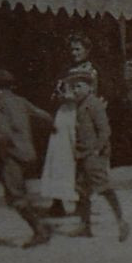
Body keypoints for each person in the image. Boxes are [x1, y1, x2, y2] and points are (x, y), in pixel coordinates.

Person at [0, 68, 53, 248]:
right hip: (29, 154)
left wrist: (0, 153)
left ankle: (39, 230)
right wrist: (55, 127)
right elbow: (42, 114)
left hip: (13, 155)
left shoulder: (0, 105)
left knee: (15, 196)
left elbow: (2, 133)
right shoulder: (21, 101)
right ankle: (40, 224)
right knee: (21, 192)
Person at [65, 71, 129, 241]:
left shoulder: (94, 105)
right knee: (82, 191)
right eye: (73, 87)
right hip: (82, 154)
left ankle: (121, 222)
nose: (76, 90)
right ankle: (85, 226)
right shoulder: (79, 105)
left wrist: (97, 150)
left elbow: (104, 131)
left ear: (90, 87)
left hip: (93, 155)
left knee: (104, 188)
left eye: (79, 86)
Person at [40, 33, 97, 217]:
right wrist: (57, 94)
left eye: (78, 49)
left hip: (79, 116)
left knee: (77, 157)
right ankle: (57, 201)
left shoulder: (90, 71)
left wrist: (67, 96)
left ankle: (81, 200)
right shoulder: (66, 71)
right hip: (63, 116)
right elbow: (56, 92)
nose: (74, 53)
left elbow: (89, 95)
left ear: (87, 51)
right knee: (58, 156)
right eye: (72, 49)